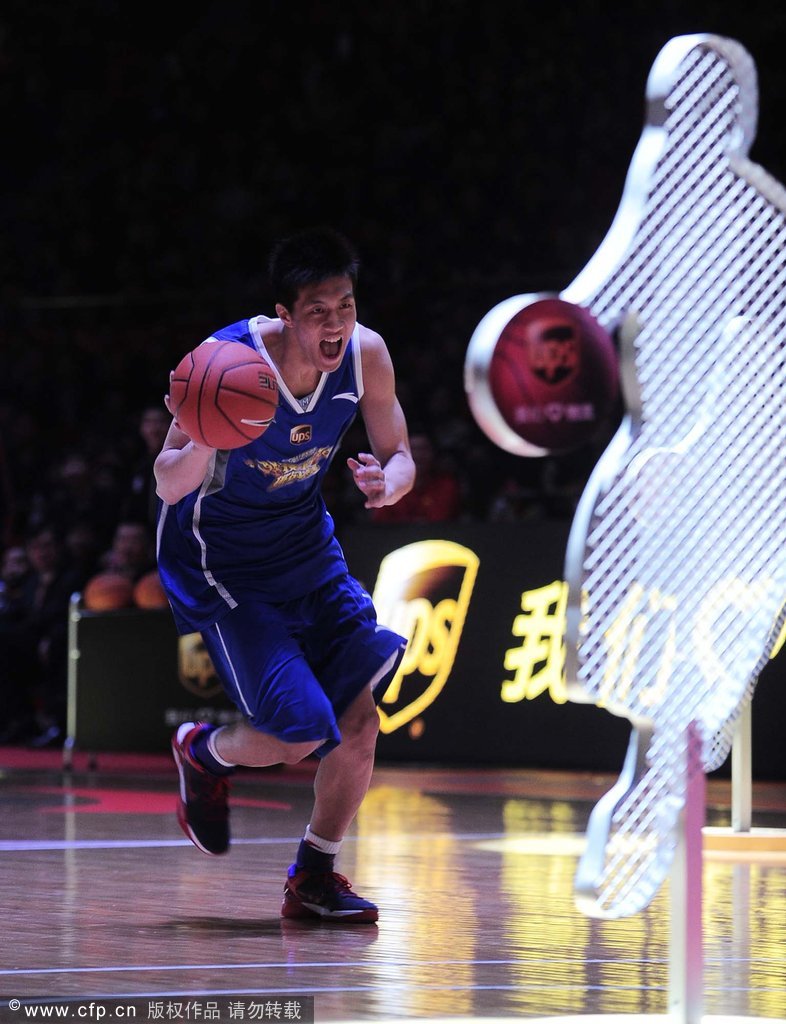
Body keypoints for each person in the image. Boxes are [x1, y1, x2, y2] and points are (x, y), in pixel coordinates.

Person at [155, 227, 415, 924]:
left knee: (361, 720)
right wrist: (205, 437)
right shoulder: (223, 364)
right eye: (318, 311)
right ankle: (203, 754)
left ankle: (315, 875)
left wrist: (387, 484)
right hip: (224, 563)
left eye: (345, 305)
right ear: (284, 312)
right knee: (299, 731)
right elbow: (168, 483)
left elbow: (399, 454)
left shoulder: (366, 357)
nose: (336, 324)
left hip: (306, 550)